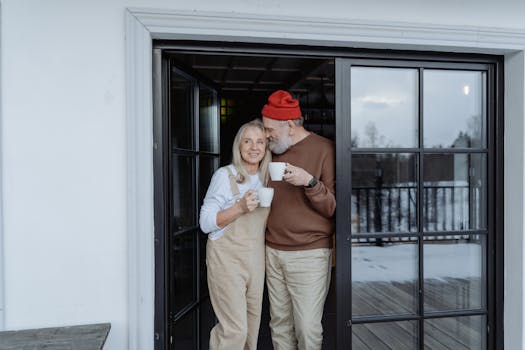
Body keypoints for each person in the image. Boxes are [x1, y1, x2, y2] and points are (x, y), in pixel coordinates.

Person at [261, 90, 336, 350]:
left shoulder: (324, 149)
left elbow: (334, 208)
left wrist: (310, 182)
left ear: (290, 125)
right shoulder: (270, 150)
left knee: (307, 327)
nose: (267, 135)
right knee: (279, 324)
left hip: (310, 253)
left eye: (270, 129)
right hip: (272, 250)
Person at [199, 119, 272, 350]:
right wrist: (239, 207)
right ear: (238, 146)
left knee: (251, 328)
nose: (254, 147)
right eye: (247, 141)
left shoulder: (268, 178)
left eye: (260, 141)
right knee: (234, 330)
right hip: (226, 260)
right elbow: (205, 223)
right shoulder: (225, 175)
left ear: (266, 147)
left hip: (255, 260)